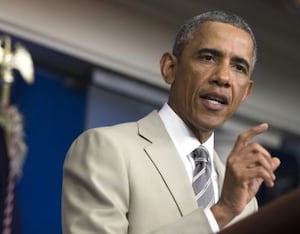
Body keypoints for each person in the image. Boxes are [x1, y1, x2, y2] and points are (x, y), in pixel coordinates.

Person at [61, 10, 280, 234]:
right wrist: (220, 213)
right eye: (208, 57)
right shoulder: (106, 149)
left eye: (238, 67)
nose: (223, 77)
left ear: (245, 93)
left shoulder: (245, 202)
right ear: (170, 69)